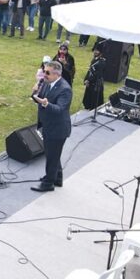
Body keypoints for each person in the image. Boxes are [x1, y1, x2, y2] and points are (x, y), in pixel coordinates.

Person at [31, 61, 73, 191]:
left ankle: (48, 183)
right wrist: (34, 93)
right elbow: (39, 98)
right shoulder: (46, 83)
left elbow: (60, 109)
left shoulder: (65, 89)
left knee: (52, 156)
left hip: (57, 129)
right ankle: (57, 178)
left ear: (57, 74)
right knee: (53, 154)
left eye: (47, 72)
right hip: (47, 125)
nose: (44, 75)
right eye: (44, 71)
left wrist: (45, 104)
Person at [82, 41, 107, 110]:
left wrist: (89, 80)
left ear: (101, 52)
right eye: (95, 50)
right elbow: (90, 70)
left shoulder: (102, 62)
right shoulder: (94, 60)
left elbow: (98, 74)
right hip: (90, 82)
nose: (95, 52)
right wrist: (86, 79)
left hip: (96, 83)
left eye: (97, 51)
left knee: (95, 101)